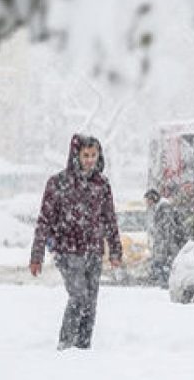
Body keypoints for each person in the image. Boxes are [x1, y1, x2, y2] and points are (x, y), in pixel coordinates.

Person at [29, 134, 122, 351]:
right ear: (76, 156)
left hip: (94, 250)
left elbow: (109, 218)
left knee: (91, 301)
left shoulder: (102, 185)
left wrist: (115, 250)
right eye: (85, 155)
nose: (90, 160)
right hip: (66, 250)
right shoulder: (58, 183)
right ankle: (65, 343)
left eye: (94, 155)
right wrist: (37, 256)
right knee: (79, 295)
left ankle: (82, 347)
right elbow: (44, 221)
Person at [144, 188, 186, 288]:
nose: (147, 203)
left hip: (168, 245)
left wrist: (164, 245)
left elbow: (168, 228)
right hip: (164, 244)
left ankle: (167, 284)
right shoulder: (160, 207)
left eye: (148, 200)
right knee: (160, 264)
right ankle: (164, 283)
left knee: (164, 265)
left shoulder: (164, 207)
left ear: (153, 198)